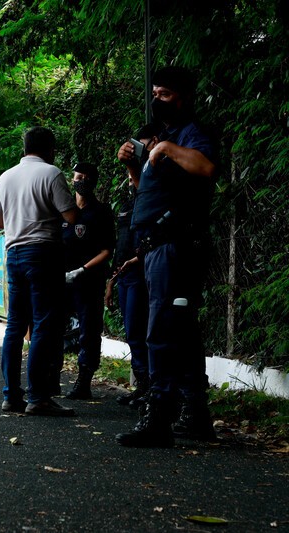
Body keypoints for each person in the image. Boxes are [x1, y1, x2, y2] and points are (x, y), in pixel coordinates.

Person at [115, 67, 218, 447]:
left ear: (184, 97)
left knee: (161, 330)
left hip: (177, 244)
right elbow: (149, 190)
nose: (157, 100)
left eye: (166, 94)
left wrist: (167, 149)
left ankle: (159, 416)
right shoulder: (166, 137)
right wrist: (134, 163)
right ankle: (195, 414)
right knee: (182, 332)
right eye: (155, 93)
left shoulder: (191, 134)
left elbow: (206, 167)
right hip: (157, 246)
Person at [0, 126, 79, 416]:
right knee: (43, 324)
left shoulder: (5, 177)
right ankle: (38, 396)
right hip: (43, 253)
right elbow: (70, 215)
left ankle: (10, 395)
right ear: (50, 149)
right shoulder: (51, 173)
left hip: (14, 254)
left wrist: (20, 218)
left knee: (15, 325)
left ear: (25, 147)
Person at [106, 124, 160, 408]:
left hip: (141, 271)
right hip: (124, 275)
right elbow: (121, 245)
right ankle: (143, 386)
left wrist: (137, 259)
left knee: (141, 333)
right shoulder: (128, 205)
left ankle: (152, 388)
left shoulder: (151, 194)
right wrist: (111, 280)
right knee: (132, 333)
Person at [62, 162, 115, 400]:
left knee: (89, 331)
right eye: (78, 176)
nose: (81, 181)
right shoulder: (63, 210)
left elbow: (106, 251)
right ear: (71, 179)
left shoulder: (101, 212)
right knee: (54, 328)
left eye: (86, 177)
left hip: (89, 281)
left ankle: (84, 381)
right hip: (62, 281)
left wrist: (82, 270)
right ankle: (50, 379)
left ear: (94, 182)